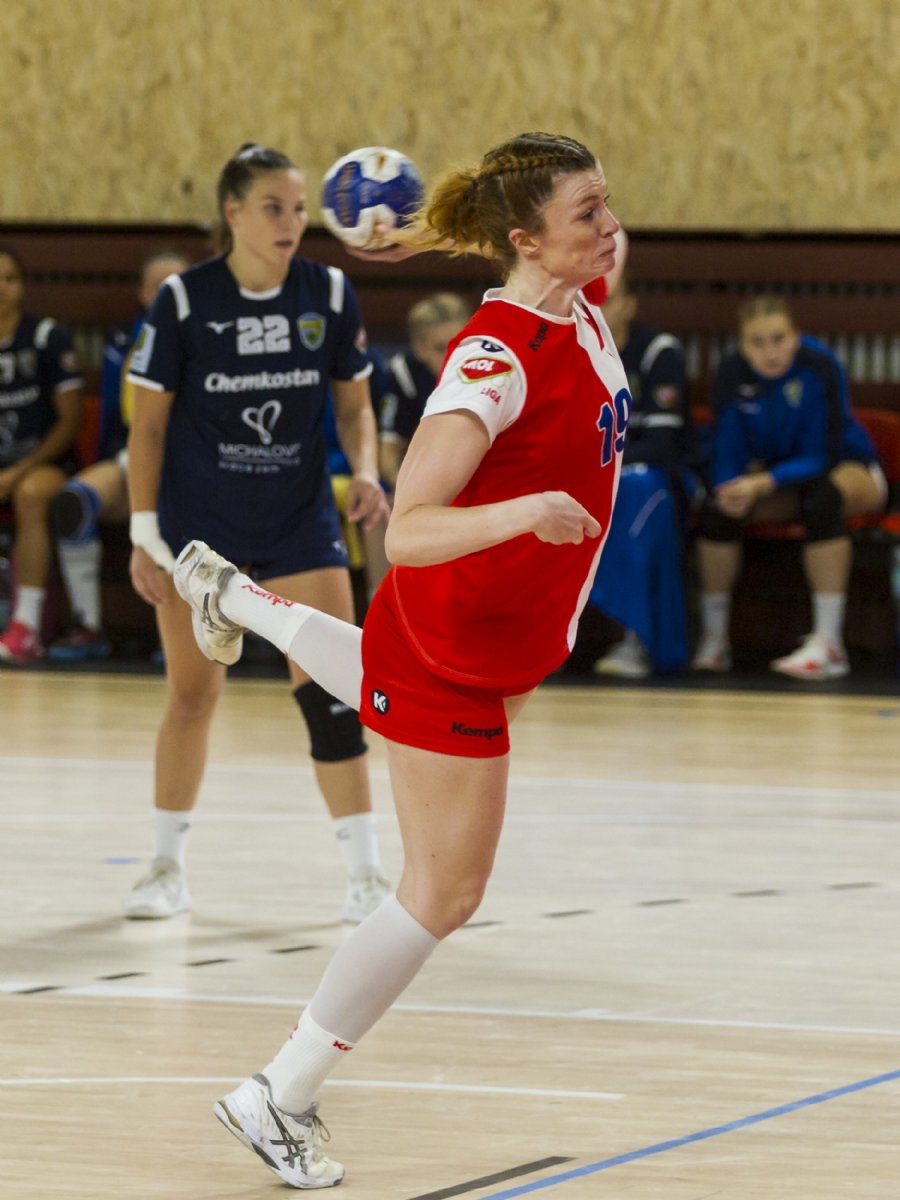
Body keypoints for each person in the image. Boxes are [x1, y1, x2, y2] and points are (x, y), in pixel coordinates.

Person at [171, 130, 628, 1188]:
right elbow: (410, 530)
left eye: (608, 203)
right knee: (442, 892)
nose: (612, 228)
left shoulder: (578, 300)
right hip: (455, 645)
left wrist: (428, 232)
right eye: (588, 214)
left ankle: (236, 599)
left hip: (481, 631)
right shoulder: (492, 361)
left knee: (394, 704)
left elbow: (544, 241)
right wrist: (526, 511)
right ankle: (278, 1093)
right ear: (529, 241)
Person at [123, 143, 391, 924]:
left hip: (299, 525)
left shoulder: (329, 292)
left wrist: (366, 470)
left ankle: (367, 877)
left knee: (333, 697)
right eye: (274, 207)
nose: (291, 222)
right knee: (192, 697)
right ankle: (165, 869)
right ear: (233, 213)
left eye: (300, 208)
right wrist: (144, 534)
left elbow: (355, 407)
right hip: (200, 536)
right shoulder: (183, 300)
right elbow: (147, 429)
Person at [692, 294, 886, 679]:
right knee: (718, 509)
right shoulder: (732, 374)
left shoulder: (819, 365)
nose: (770, 352)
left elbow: (821, 454)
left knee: (822, 499)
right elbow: (726, 446)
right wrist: (729, 487)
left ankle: (829, 645)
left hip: (845, 467)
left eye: (779, 339)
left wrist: (765, 482)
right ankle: (714, 641)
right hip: (775, 481)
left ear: (796, 336)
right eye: (757, 342)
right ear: (742, 345)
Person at [47, 250, 191, 661]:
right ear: (143, 294)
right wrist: (109, 464)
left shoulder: (213, 337)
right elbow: (115, 412)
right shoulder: (126, 341)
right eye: (160, 288)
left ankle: (182, 632)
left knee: (178, 508)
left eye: (178, 286)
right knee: (73, 503)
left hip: (192, 465)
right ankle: (88, 626)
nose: (168, 295)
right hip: (134, 456)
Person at [589, 273, 697, 677]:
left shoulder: (656, 352)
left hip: (664, 476)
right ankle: (538, 640)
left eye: (608, 299)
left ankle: (636, 639)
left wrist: (599, 469)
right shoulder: (574, 350)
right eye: (589, 300)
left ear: (630, 305)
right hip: (599, 472)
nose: (598, 309)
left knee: (637, 493)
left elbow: (663, 445)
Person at [0, 244, 83, 664]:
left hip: (43, 463)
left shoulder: (46, 337)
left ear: (22, 286)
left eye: (10, 279)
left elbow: (70, 421)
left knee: (30, 494)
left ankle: (27, 625)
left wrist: (19, 470)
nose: (1, 287)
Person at [378, 291, 473, 487]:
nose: (452, 355)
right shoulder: (404, 375)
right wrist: (409, 493)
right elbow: (388, 454)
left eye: (459, 343)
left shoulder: (490, 371)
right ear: (419, 349)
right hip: (423, 482)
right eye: (440, 348)